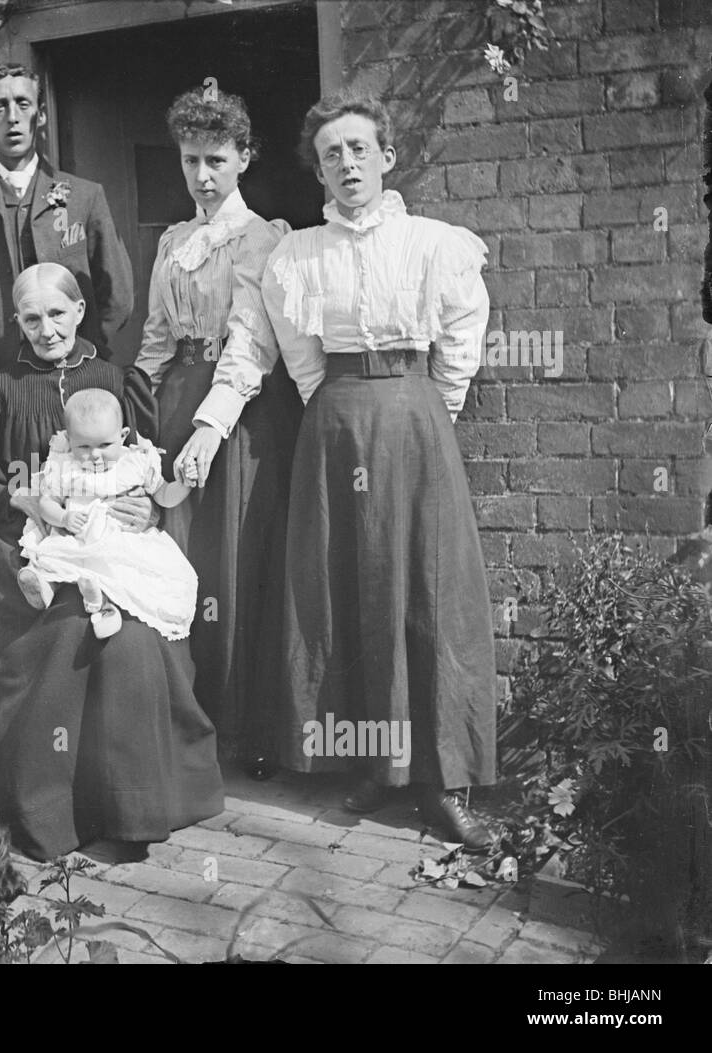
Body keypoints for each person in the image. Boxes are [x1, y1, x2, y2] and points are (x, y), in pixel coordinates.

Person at [265, 90, 496, 848]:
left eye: (358, 148)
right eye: (331, 154)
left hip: (414, 413)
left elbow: (463, 332)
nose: (346, 162)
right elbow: (299, 352)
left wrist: (428, 408)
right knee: (348, 590)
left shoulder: (436, 243)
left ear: (386, 157)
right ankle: (370, 765)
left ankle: (443, 780)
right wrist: (338, 404)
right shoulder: (297, 254)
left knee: (431, 588)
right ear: (319, 173)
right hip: (335, 420)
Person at [0, 263, 223, 861]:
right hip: (25, 544)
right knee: (65, 634)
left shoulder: (116, 381)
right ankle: (55, 808)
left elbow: (145, 470)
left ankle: (131, 808)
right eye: (31, 318)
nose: (46, 329)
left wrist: (151, 513)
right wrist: (25, 499)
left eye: (57, 314)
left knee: (133, 644)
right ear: (16, 321)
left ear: (80, 311)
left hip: (117, 545)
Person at [133, 89, 303, 777]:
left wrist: (209, 430)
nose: (203, 176)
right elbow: (153, 339)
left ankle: (238, 730)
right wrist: (130, 416)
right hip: (175, 403)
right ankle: (179, 720)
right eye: (191, 160)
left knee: (229, 565)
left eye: (217, 160)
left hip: (238, 414)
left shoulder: (262, 238)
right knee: (173, 559)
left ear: (244, 158)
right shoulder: (173, 242)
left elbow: (248, 344)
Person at [0, 64, 135, 376]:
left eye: (23, 104)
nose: (12, 117)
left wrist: (84, 351)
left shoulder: (84, 197)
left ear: (40, 116)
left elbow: (117, 295)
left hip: (76, 378)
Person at [16, 387, 197, 641]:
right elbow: (47, 503)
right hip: (76, 537)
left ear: (122, 436)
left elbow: (164, 496)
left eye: (104, 444)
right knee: (52, 559)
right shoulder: (65, 465)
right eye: (84, 446)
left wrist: (184, 484)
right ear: (69, 440)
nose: (95, 455)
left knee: (121, 573)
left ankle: (104, 610)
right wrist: (63, 518)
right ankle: (44, 587)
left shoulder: (136, 462)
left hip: (119, 538)